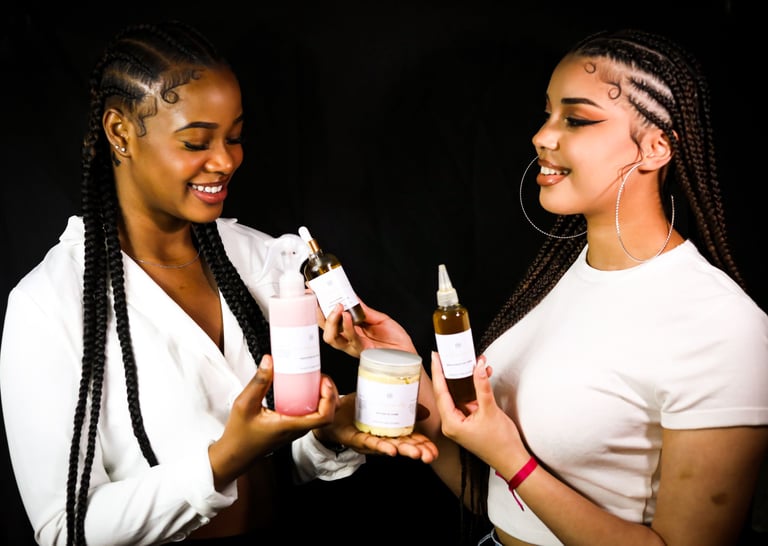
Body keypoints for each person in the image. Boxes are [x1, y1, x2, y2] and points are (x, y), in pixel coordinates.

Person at [319, 28, 768, 545]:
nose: (542, 136)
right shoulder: (562, 277)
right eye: (548, 113)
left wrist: (512, 458)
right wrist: (402, 365)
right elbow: (493, 496)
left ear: (655, 147)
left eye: (576, 119)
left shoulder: (719, 325)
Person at [0, 20, 436, 546]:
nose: (226, 161)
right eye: (195, 141)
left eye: (234, 137)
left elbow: (273, 469)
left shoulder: (260, 261)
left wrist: (324, 434)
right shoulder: (50, 305)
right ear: (120, 133)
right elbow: (63, 530)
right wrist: (225, 456)